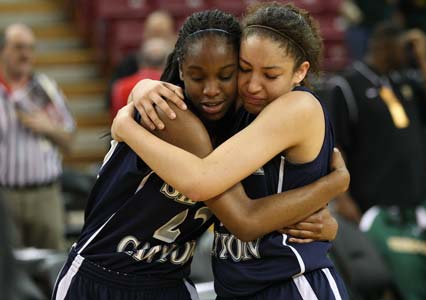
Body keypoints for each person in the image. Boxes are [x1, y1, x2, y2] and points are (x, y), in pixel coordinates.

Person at [53, 10, 349, 300]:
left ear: (301, 71)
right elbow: (236, 212)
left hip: (178, 282)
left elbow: (259, 203)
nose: (211, 90)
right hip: (103, 278)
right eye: (246, 70)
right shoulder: (173, 114)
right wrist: (334, 184)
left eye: (227, 75)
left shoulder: (249, 119)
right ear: (182, 70)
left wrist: (329, 204)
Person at [328, 22, 426, 299]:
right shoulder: (347, 84)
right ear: (383, 46)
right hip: (376, 209)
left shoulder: (405, 80)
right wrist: (343, 198)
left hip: (418, 203)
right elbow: (334, 146)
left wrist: (424, 60)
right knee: (403, 281)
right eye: (405, 49)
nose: (409, 54)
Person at [0, 23, 75, 250]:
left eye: (30, 48)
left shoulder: (45, 88)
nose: (26, 54)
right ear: (2, 50)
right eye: (19, 47)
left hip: (45, 196)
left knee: (50, 266)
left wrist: (49, 128)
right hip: (4, 197)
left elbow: (70, 141)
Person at [106, 10, 176, 107]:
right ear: (146, 34)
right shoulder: (129, 63)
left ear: (172, 34)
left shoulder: (179, 63)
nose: (157, 39)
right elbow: (112, 97)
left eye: (162, 34)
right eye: (154, 33)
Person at [111, 37, 172, 119]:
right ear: (167, 62)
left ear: (141, 60)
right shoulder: (171, 86)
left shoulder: (121, 86)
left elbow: (116, 116)